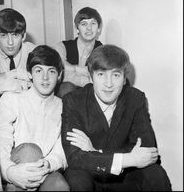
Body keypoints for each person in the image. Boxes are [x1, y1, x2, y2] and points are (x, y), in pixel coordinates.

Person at [61, 44, 172, 191]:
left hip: (125, 176)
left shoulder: (135, 98)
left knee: (155, 173)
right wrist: (129, 158)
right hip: (91, 175)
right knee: (76, 177)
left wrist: (94, 151)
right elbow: (74, 158)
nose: (109, 84)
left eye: (116, 75)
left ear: (124, 78)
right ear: (91, 76)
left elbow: (148, 152)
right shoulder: (73, 101)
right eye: (101, 74)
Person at [0, 45, 70, 191]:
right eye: (39, 70)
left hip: (46, 169)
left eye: (51, 71)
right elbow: (0, 142)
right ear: (29, 74)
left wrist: (48, 164)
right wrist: (9, 172)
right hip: (15, 169)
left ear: (59, 75)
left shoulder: (64, 107)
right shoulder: (12, 99)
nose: (45, 77)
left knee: (60, 186)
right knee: (30, 151)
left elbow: (63, 149)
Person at [0, 8, 36, 120]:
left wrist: (1, 79)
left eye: (15, 35)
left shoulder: (32, 50)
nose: (10, 42)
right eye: (3, 35)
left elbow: (47, 76)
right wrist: (18, 74)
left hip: (28, 111)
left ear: (23, 36)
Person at [55, 7, 103, 97]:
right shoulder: (62, 46)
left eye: (93, 23)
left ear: (99, 28)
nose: (89, 28)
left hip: (92, 95)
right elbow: (57, 70)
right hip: (67, 94)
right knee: (66, 88)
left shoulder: (103, 51)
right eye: (84, 24)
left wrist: (71, 70)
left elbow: (101, 78)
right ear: (77, 28)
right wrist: (84, 73)